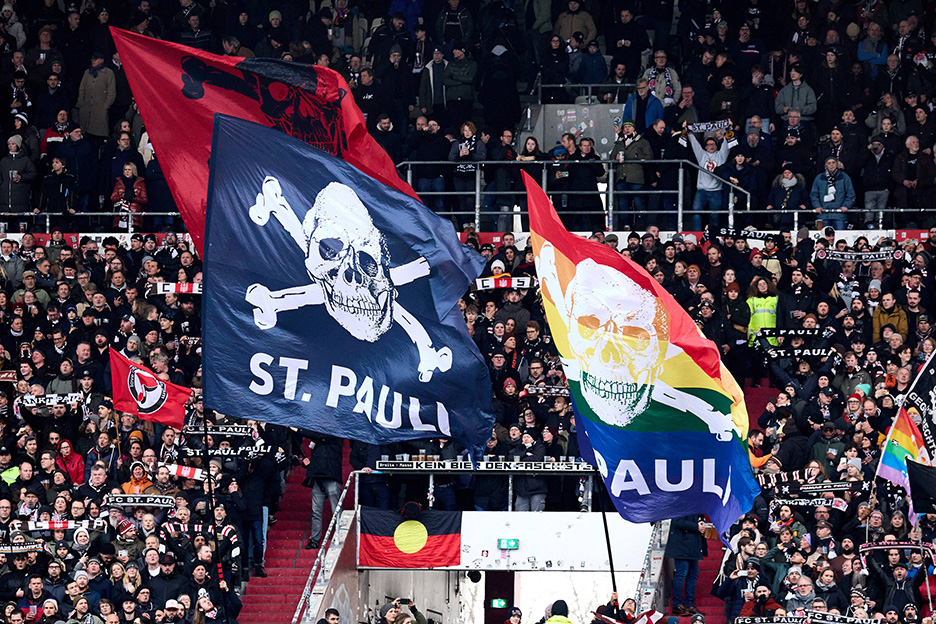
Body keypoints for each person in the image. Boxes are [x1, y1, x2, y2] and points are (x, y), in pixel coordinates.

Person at [666, 515, 706, 616]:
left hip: (694, 545)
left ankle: (689, 605)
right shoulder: (680, 501)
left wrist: (702, 524)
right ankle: (677, 605)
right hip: (681, 544)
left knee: (693, 575)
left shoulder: (697, 504)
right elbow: (676, 521)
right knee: (681, 574)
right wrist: (696, 526)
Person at [810, 156, 856, 231]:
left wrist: (846, 206)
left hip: (839, 215)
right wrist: (817, 206)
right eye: (829, 163)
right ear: (826, 165)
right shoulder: (819, 178)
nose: (831, 165)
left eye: (833, 163)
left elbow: (851, 194)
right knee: (822, 238)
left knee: (840, 238)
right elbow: (814, 195)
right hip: (823, 215)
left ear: (837, 164)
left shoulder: (844, 177)